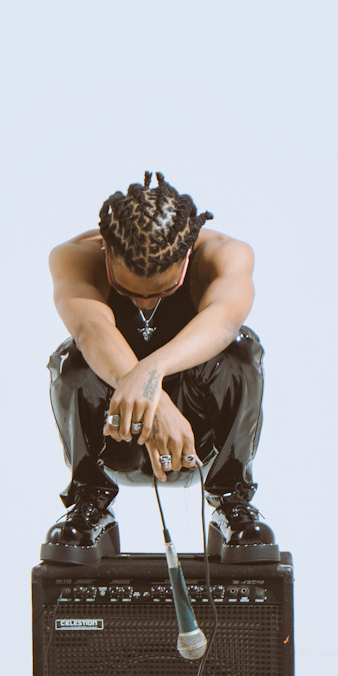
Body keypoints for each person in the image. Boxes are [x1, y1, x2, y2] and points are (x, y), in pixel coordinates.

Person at [42, 171, 278, 565]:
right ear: (106, 253)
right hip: (117, 432)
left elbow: (224, 322)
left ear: (187, 258)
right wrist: (156, 406)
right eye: (129, 290)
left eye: (164, 292)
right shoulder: (74, 256)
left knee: (242, 350)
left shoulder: (225, 255)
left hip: (196, 439)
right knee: (71, 360)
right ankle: (89, 500)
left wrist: (150, 379)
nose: (147, 304)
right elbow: (90, 328)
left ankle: (230, 497)